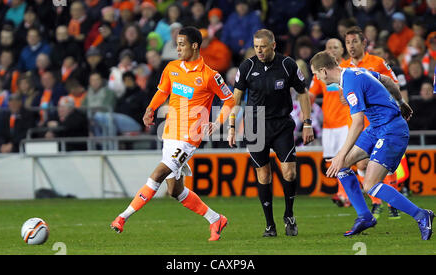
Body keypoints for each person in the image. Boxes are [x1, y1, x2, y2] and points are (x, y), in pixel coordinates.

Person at [110, 26, 236, 241]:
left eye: (181, 44)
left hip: (189, 138)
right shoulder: (172, 68)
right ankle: (216, 219)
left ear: (194, 46)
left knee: (157, 174)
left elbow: (230, 100)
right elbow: (162, 91)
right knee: (175, 190)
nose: (177, 49)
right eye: (177, 44)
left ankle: (122, 217)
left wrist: (218, 122)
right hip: (169, 133)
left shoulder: (210, 76)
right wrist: (150, 109)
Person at [310, 51, 433, 240]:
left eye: (316, 74)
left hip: (392, 130)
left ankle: (421, 215)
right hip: (377, 127)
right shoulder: (356, 72)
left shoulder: (349, 83)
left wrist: (341, 154)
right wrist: (401, 102)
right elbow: (387, 80)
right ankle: (365, 216)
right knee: (342, 167)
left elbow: (358, 123)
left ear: (324, 71)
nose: (316, 77)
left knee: (370, 184)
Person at [228, 29, 314, 237]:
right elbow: (235, 100)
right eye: (256, 46)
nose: (259, 50)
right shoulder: (247, 67)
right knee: (264, 174)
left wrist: (307, 123)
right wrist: (231, 127)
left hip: (282, 124)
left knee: (290, 172)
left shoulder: (288, 65)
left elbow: (303, 94)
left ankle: (289, 215)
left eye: (263, 46)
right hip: (255, 125)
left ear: (273, 45)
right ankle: (269, 225)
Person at [340, 26, 402, 219]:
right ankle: (376, 203)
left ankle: (392, 203)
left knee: (382, 162)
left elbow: (394, 84)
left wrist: (399, 105)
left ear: (364, 43)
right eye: (348, 42)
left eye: (354, 42)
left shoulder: (378, 62)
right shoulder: (344, 67)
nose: (351, 46)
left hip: (383, 122)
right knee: (361, 163)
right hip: (361, 122)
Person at [309, 38, 351, 207]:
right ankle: (345, 192)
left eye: (335, 47)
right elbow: (311, 93)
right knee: (332, 161)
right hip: (328, 123)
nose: (332, 50)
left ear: (342, 50)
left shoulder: (348, 68)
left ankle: (344, 194)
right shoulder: (321, 72)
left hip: (346, 122)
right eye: (328, 47)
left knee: (344, 160)